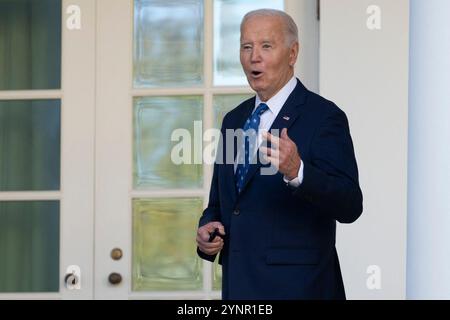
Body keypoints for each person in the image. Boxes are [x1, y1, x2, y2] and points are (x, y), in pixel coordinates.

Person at [196, 9, 363, 300]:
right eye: (246, 47)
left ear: (292, 53)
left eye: (266, 46)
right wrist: (207, 232)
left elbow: (350, 205)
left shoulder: (324, 117)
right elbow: (221, 205)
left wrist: (298, 171)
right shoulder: (233, 120)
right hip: (239, 290)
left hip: (300, 290)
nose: (253, 57)